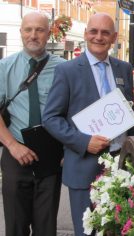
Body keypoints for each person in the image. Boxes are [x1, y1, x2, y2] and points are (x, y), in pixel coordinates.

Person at [42, 13, 133, 235]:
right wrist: (83, 141)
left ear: (113, 37)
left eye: (105, 33)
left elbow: (127, 111)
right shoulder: (67, 70)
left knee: (118, 229)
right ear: (85, 34)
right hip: (84, 167)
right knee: (87, 231)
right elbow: (50, 118)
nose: (99, 37)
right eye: (94, 31)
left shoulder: (124, 69)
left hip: (119, 167)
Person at [0, 12, 65, 236]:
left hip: (50, 156)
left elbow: (74, 112)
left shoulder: (64, 69)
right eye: (28, 29)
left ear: (49, 33)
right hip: (15, 154)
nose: (33, 35)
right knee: (16, 227)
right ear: (21, 32)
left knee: (46, 228)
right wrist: (13, 146)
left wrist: (68, 148)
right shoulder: (4, 67)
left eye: (39, 30)